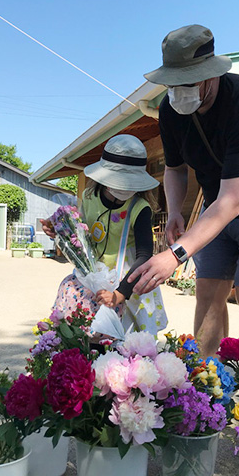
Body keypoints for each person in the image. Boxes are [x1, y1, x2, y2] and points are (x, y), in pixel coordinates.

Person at [128, 24, 239, 360]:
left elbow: (232, 200)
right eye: (172, 83)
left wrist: (175, 255)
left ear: (210, 74)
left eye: (188, 81)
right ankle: (207, 387)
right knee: (208, 291)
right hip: (220, 207)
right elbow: (174, 167)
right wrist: (176, 211)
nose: (178, 91)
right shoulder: (170, 111)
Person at [41, 134, 167, 336]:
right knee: (80, 323)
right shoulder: (89, 198)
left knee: (121, 338)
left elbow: (144, 256)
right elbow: (80, 235)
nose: (125, 187)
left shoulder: (140, 208)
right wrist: (58, 230)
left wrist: (120, 294)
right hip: (91, 275)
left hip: (128, 280)